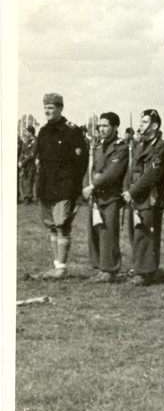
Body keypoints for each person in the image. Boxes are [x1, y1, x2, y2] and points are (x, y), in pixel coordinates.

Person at [34, 93, 89, 279]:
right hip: (47, 186)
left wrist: (75, 187)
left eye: (51, 108)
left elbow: (81, 162)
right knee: (50, 226)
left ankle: (62, 267)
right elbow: (40, 159)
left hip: (64, 186)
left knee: (62, 225)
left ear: (60, 108)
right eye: (45, 108)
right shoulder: (43, 131)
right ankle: (56, 265)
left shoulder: (71, 131)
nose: (47, 111)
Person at [122, 109, 164, 286]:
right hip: (136, 195)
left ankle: (145, 272)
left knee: (145, 233)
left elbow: (152, 174)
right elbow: (133, 169)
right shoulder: (140, 145)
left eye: (144, 122)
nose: (140, 125)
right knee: (135, 232)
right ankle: (141, 267)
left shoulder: (160, 146)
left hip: (150, 196)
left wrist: (132, 192)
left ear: (154, 125)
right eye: (141, 121)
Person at [82, 112, 129, 282]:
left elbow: (112, 173)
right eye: (99, 126)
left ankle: (110, 270)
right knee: (96, 231)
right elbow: (90, 169)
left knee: (108, 232)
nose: (101, 129)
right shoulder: (96, 147)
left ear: (115, 127)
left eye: (105, 126)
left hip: (111, 196)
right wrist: (86, 187)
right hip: (96, 196)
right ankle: (101, 267)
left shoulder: (121, 147)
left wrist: (93, 185)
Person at [19, 125, 38, 204]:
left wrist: (23, 162)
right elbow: (23, 152)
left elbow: (32, 154)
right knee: (24, 180)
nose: (25, 133)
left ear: (30, 132)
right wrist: (20, 161)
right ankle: (26, 197)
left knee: (29, 180)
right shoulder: (27, 141)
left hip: (31, 164)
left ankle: (29, 197)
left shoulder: (35, 141)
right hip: (25, 164)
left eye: (27, 132)